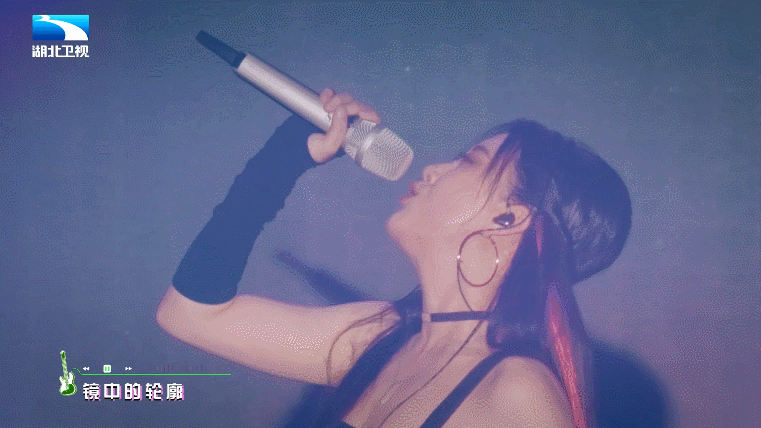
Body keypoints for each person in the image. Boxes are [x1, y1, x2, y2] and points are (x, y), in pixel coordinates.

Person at [156, 88, 632, 428]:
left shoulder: (517, 396)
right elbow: (189, 315)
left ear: (510, 220)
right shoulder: (375, 336)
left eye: (468, 161)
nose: (434, 169)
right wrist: (282, 159)